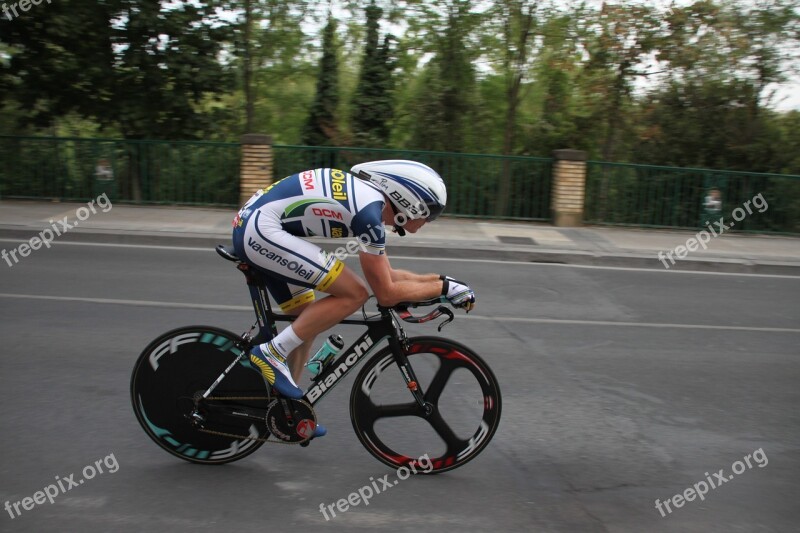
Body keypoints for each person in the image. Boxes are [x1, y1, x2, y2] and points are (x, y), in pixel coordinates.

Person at [231, 160, 476, 437]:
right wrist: (443, 291)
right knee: (355, 293)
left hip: (257, 225)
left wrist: (441, 283)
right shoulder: (368, 214)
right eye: (428, 216)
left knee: (306, 319)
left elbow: (390, 276)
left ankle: (287, 409)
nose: (424, 225)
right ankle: (271, 353)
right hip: (261, 231)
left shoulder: (366, 201)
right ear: (411, 202)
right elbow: (385, 294)